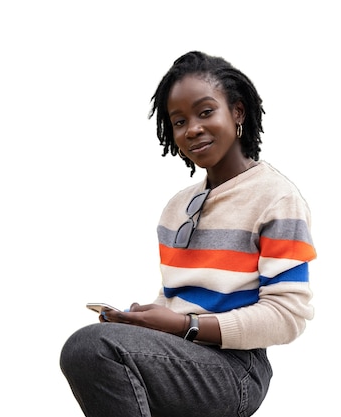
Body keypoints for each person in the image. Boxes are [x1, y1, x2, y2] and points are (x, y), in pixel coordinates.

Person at [60, 51, 316, 417]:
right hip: (182, 355)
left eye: (206, 112)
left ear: (238, 112)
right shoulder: (176, 208)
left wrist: (185, 326)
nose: (191, 128)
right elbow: (175, 299)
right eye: (178, 121)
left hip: (237, 369)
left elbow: (287, 317)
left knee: (90, 347)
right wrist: (145, 320)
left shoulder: (276, 198)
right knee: (95, 347)